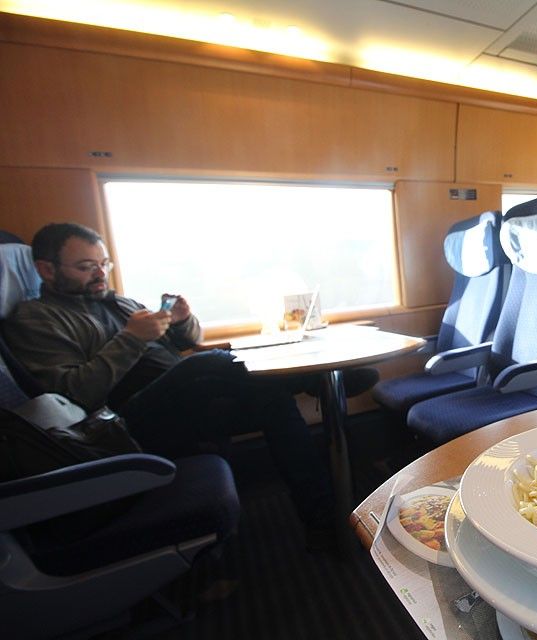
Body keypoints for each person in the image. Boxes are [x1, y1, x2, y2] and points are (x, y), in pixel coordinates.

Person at [2, 222, 361, 552]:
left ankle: (323, 519)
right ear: (46, 270)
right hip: (120, 424)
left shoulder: (120, 302)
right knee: (203, 364)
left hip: (187, 399)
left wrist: (183, 321)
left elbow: (184, 342)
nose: (100, 274)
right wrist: (132, 338)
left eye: (104, 264)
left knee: (272, 399)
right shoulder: (36, 318)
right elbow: (71, 394)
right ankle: (309, 378)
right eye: (86, 267)